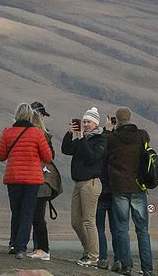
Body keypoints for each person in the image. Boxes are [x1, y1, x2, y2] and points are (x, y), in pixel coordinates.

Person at [0, 103, 53, 260]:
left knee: (16, 212)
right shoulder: (36, 134)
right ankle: (21, 248)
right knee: (28, 213)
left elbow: (0, 156)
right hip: (32, 179)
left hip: (13, 178)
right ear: (30, 116)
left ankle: (13, 243)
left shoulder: (8, 133)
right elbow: (48, 157)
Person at [104, 107, 153, 276]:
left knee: (122, 228)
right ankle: (147, 269)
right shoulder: (142, 135)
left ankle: (126, 265)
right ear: (130, 117)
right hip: (138, 187)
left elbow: (106, 150)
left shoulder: (112, 138)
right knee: (142, 230)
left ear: (116, 120)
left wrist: (108, 131)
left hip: (119, 188)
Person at [61, 107, 107, 267]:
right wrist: (69, 133)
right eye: (84, 121)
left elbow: (92, 158)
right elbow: (66, 150)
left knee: (88, 220)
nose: (85, 124)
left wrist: (81, 139)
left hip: (91, 183)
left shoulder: (100, 140)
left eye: (88, 122)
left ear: (95, 123)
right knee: (76, 222)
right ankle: (88, 250)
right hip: (78, 183)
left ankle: (93, 256)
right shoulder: (82, 139)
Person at [27, 101, 59, 261]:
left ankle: (42, 248)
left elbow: (49, 157)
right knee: (36, 216)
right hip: (42, 180)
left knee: (37, 217)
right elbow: (50, 156)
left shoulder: (38, 135)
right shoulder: (44, 136)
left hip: (38, 180)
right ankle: (39, 247)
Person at [94, 113, 116, 269]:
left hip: (101, 190)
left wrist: (106, 132)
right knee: (117, 229)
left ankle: (102, 258)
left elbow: (102, 152)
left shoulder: (101, 142)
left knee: (99, 228)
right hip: (115, 191)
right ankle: (119, 259)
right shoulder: (120, 146)